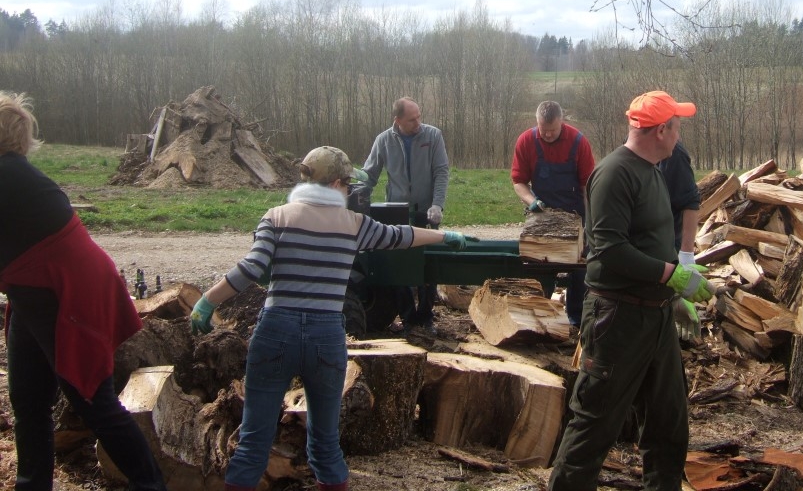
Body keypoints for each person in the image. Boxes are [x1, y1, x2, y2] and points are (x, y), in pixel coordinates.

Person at [189, 145, 474, 491]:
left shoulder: (276, 216)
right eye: (348, 185)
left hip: (275, 331)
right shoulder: (354, 224)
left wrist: (206, 302)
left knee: (252, 444)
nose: (350, 191)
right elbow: (402, 236)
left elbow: (253, 268)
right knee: (325, 447)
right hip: (326, 336)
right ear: (337, 183)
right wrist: (448, 236)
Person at [0, 91, 168, 491]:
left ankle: (151, 485)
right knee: (28, 399)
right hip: (34, 291)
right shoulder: (11, 173)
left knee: (91, 398)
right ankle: (32, 484)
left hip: (67, 292)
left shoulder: (8, 174)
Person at [547, 91, 713, 491]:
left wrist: (672, 295)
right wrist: (671, 274)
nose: (679, 136)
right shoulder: (614, 173)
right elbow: (609, 249)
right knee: (595, 424)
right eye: (676, 127)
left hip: (655, 318)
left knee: (668, 424)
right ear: (660, 130)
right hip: (617, 319)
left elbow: (652, 240)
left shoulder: (654, 169)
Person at [362, 97, 449, 332]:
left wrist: (437, 205)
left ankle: (426, 315)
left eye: (419, 116)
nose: (418, 122)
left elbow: (441, 172)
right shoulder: (384, 140)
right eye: (412, 119)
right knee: (397, 267)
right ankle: (409, 318)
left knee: (428, 264)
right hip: (397, 213)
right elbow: (369, 175)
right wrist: (358, 201)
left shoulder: (432, 136)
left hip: (426, 211)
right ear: (397, 120)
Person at [511, 100, 595, 332]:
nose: (547, 135)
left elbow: (589, 186)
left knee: (580, 266)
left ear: (562, 122)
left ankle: (575, 320)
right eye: (543, 129)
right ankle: (540, 319)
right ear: (536, 122)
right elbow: (519, 182)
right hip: (542, 213)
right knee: (538, 264)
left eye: (553, 130)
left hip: (575, 211)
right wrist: (531, 201)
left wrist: (588, 223)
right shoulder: (526, 141)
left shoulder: (578, 142)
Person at [658, 140, 703, 339]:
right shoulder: (630, 153)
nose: (675, 135)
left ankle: (681, 343)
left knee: (673, 293)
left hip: (669, 239)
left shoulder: (674, 154)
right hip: (645, 242)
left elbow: (691, 203)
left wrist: (686, 255)